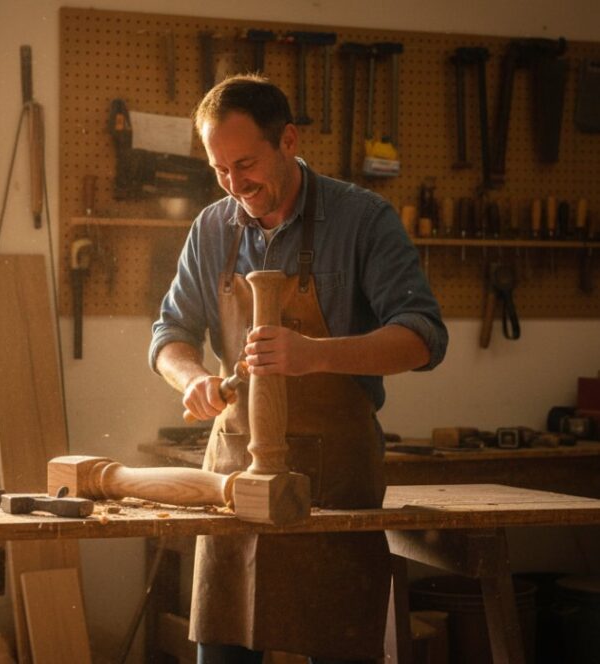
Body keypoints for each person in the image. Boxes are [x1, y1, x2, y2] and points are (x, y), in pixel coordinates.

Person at [148, 74, 448, 664]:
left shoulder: (363, 219)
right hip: (234, 479)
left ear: (288, 140)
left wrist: (317, 355)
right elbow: (169, 335)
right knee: (226, 648)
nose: (236, 185)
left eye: (247, 163)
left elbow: (423, 338)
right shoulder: (213, 227)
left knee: (337, 642)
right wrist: (194, 379)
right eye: (220, 170)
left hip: (336, 480)